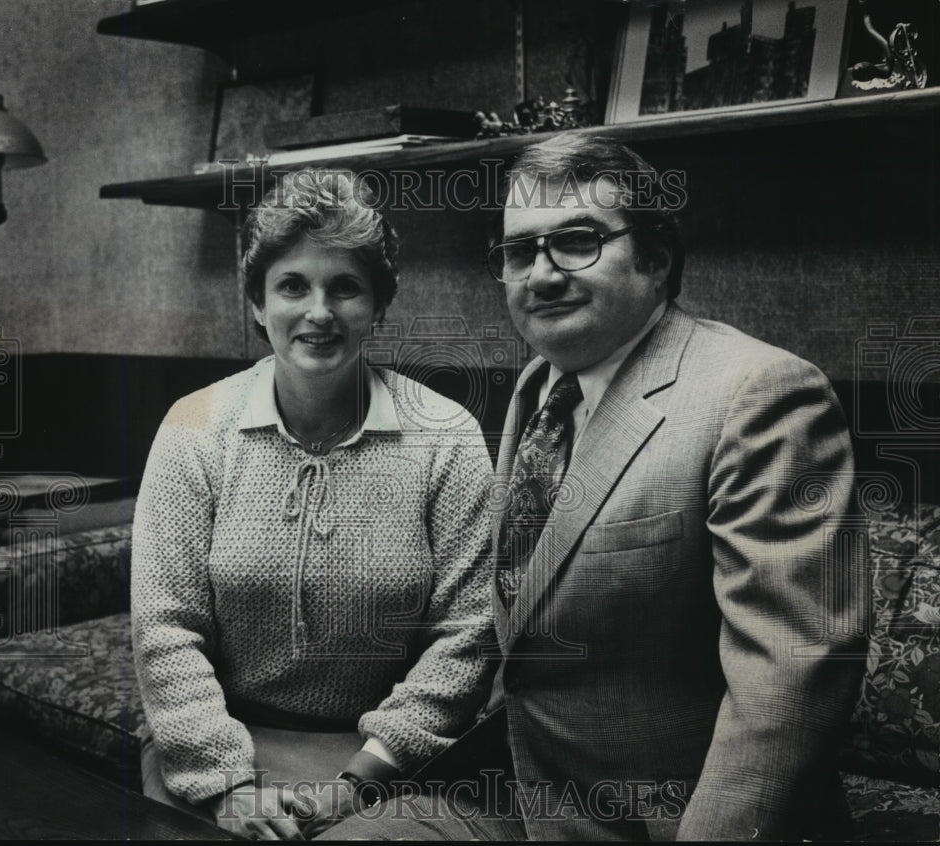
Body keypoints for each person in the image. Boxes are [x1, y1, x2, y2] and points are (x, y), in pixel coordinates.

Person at [322, 136, 868, 841]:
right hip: (526, 790)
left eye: (577, 241)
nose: (541, 275)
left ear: (656, 257)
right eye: (520, 252)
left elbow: (791, 687)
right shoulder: (542, 384)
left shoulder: (759, 396)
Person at [131, 169, 497, 840]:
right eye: (293, 285)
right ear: (257, 303)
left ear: (379, 306)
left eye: (346, 287)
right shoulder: (193, 426)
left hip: (384, 759)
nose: (319, 312)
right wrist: (228, 783)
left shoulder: (447, 438)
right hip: (215, 743)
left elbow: (467, 639)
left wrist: (362, 778)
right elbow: (165, 632)